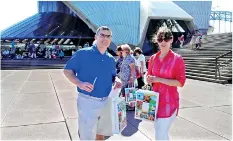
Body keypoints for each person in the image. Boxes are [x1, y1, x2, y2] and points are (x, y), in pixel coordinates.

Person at [63, 26, 122, 141]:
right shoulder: (82, 54)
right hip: (88, 101)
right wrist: (79, 83)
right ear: (96, 37)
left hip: (106, 101)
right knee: (87, 136)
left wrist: (117, 80)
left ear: (111, 39)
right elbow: (67, 71)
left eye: (108, 36)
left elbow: (112, 76)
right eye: (102, 35)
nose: (105, 38)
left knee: (101, 135)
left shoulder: (110, 59)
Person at [146, 27, 186, 140]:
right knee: (161, 134)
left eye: (166, 38)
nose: (163, 41)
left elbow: (180, 82)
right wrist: (148, 79)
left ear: (171, 40)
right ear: (156, 40)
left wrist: (159, 79)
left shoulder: (177, 59)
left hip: (169, 103)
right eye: (160, 39)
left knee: (160, 135)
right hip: (154, 102)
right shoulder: (153, 58)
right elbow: (149, 76)